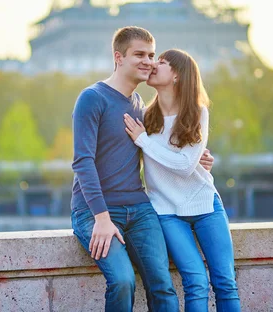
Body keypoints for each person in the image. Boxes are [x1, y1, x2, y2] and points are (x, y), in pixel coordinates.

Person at [71, 27, 215, 312]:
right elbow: (82, 162)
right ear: (118, 57)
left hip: (139, 208)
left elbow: (158, 148)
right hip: (95, 211)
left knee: (163, 285)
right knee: (123, 281)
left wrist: (194, 157)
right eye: (139, 54)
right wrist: (101, 218)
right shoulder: (92, 98)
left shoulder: (143, 108)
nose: (148, 61)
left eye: (151, 55)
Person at [123, 48, 241, 311]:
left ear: (177, 75)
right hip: (166, 211)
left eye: (161, 62)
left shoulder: (198, 112)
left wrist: (144, 141)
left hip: (205, 204)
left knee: (225, 282)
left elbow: (186, 165)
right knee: (196, 281)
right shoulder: (144, 116)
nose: (153, 64)